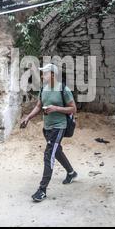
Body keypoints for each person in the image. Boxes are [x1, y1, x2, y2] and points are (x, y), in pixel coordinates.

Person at [20, 63, 78, 202]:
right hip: (47, 128)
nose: (42, 75)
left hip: (59, 127)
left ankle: (42, 190)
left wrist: (56, 108)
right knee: (56, 151)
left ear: (52, 75)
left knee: (48, 154)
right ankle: (71, 172)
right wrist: (28, 117)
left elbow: (73, 109)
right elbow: (38, 106)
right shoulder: (43, 89)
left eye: (45, 73)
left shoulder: (63, 89)